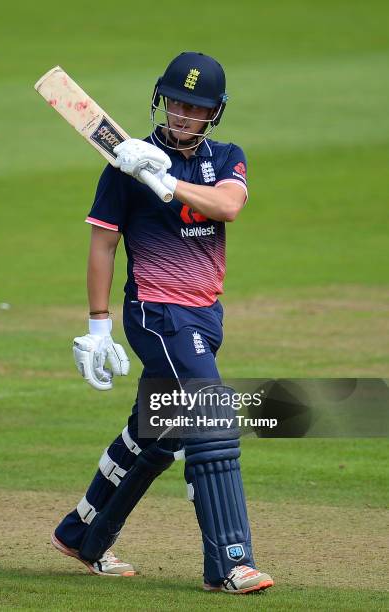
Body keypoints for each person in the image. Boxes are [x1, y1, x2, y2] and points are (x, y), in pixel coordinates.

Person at [51, 51, 274, 595]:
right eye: (175, 102)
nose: (181, 115)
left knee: (159, 430)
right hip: (156, 313)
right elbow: (103, 245)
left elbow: (228, 207)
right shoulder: (124, 164)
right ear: (161, 99)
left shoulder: (226, 156)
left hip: (204, 314)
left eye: (194, 108)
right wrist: (97, 327)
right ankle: (230, 562)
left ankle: (83, 533)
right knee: (210, 415)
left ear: (213, 113)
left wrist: (165, 182)